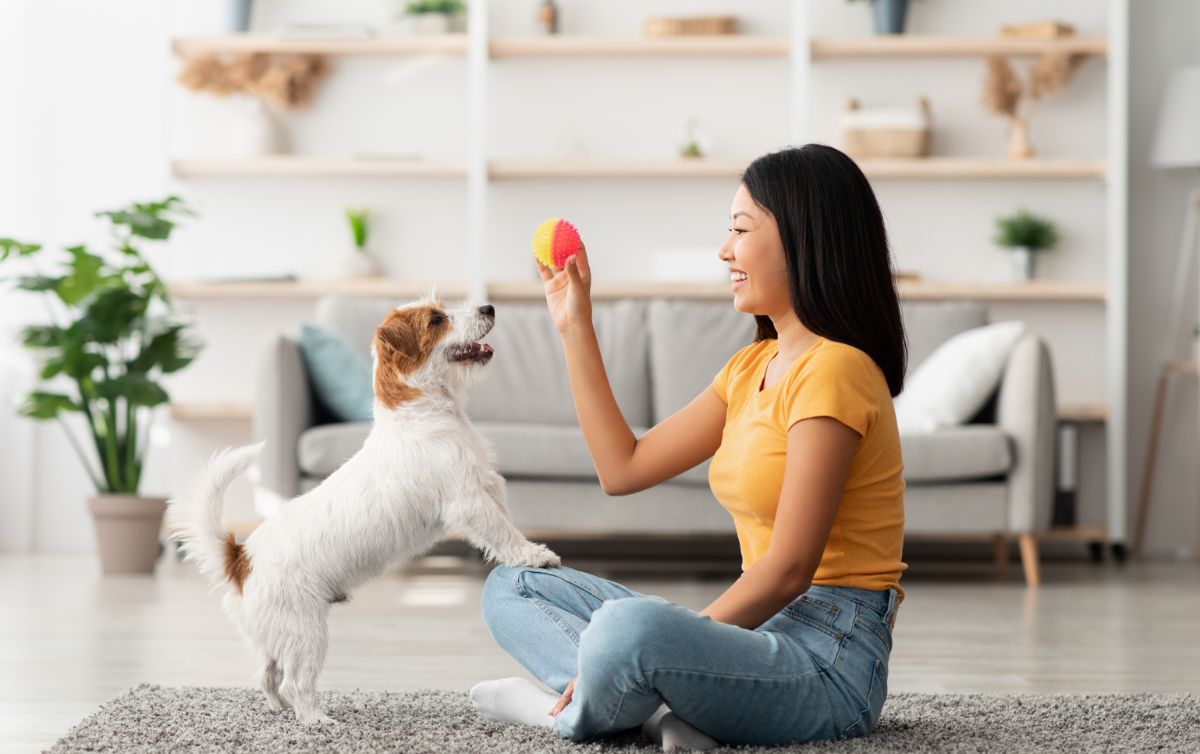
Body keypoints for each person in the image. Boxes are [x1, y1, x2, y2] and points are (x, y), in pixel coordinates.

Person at [469, 144, 908, 750]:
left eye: (740, 229)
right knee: (514, 586)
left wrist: (663, 641)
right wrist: (574, 326)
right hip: (760, 635)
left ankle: (561, 712)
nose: (724, 249)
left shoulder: (836, 371)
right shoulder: (750, 366)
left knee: (629, 631)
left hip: (830, 661)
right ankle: (661, 716)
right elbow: (622, 469)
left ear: (804, 239)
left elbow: (788, 570)